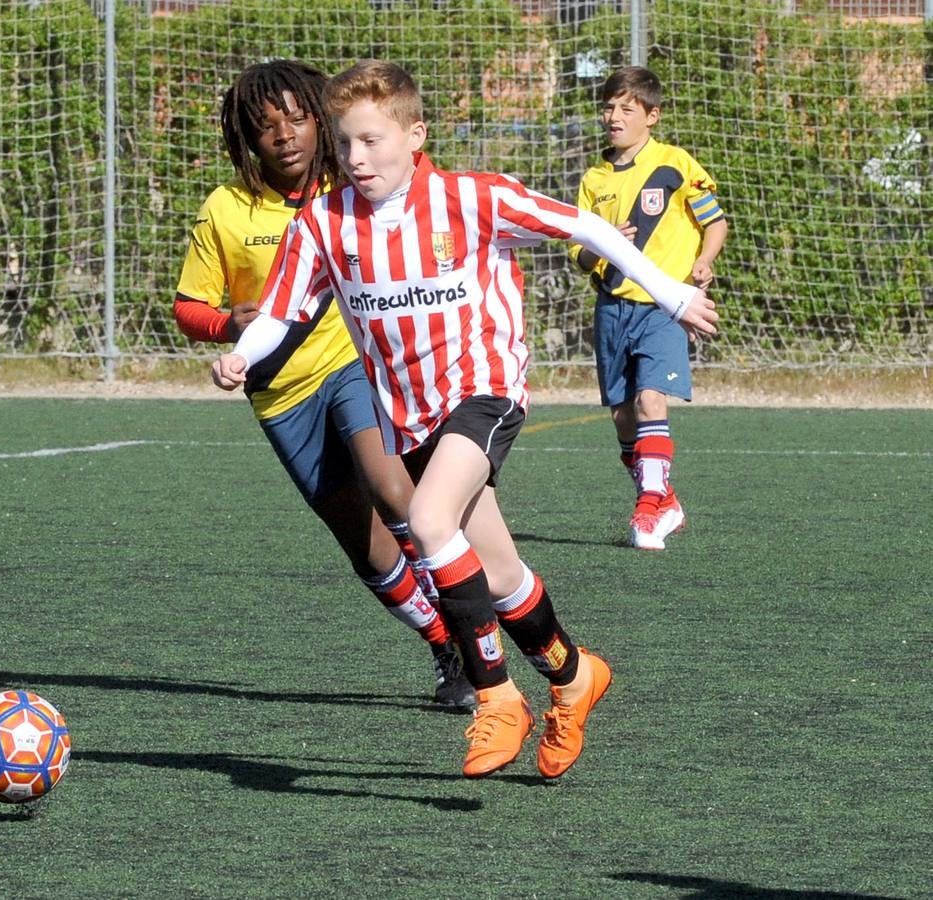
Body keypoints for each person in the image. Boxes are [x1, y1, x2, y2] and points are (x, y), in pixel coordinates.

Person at [212, 60, 719, 779]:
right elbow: (284, 311)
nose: (356, 159)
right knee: (501, 574)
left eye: (372, 142)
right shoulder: (322, 224)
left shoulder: (468, 199)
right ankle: (575, 677)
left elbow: (583, 225)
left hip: (483, 392)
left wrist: (668, 293)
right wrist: (242, 353)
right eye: (345, 144)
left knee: (425, 524)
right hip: (409, 416)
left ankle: (496, 698)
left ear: (414, 135)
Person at [174, 60, 475, 710]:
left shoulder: (357, 185)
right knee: (360, 540)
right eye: (264, 125)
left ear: (319, 117)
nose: (283, 134)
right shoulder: (226, 209)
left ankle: (475, 635)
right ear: (245, 139)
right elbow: (187, 308)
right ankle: (439, 639)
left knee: (397, 490)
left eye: (296, 117)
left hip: (359, 364)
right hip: (281, 394)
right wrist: (230, 322)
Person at [569, 66, 728, 551]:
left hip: (662, 308)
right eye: (608, 107)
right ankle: (665, 500)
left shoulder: (674, 163)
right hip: (611, 308)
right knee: (623, 419)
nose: (613, 116)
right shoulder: (594, 179)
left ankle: (645, 511)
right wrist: (604, 244)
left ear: (651, 116)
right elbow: (579, 255)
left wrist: (703, 261)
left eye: (626, 108)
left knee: (649, 402)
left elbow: (715, 222)